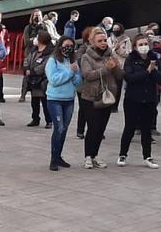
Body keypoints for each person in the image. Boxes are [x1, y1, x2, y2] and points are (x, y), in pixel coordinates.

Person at [117, 35, 161, 169]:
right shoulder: (131, 59)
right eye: (140, 44)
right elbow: (130, 78)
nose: (144, 46)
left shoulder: (154, 58)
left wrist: (154, 70)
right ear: (135, 47)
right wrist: (147, 71)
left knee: (146, 129)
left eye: (145, 44)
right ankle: (123, 154)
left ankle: (147, 156)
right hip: (133, 99)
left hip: (149, 99)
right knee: (130, 127)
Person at [78, 29, 124, 169]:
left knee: (101, 129)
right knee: (93, 127)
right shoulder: (87, 57)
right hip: (91, 97)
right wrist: (105, 69)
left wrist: (115, 66)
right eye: (100, 41)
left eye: (105, 40)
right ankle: (87, 156)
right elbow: (87, 75)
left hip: (107, 96)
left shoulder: (111, 55)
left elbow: (120, 75)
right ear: (93, 42)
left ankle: (95, 155)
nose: (103, 43)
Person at [46, 36, 82, 171]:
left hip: (69, 99)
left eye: (71, 46)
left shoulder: (72, 60)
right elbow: (54, 80)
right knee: (59, 128)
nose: (68, 48)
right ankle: (53, 159)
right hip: (55, 99)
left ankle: (59, 156)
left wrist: (75, 73)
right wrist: (69, 72)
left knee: (64, 129)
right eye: (66, 45)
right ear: (60, 45)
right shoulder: (53, 61)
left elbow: (78, 81)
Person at [24, 31, 53, 128]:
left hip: (42, 80)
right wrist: (26, 68)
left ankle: (49, 120)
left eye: (37, 37)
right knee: (34, 102)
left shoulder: (50, 53)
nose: (35, 39)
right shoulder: (34, 50)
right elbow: (27, 59)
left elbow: (45, 65)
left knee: (45, 102)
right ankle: (35, 119)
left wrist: (33, 71)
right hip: (33, 81)